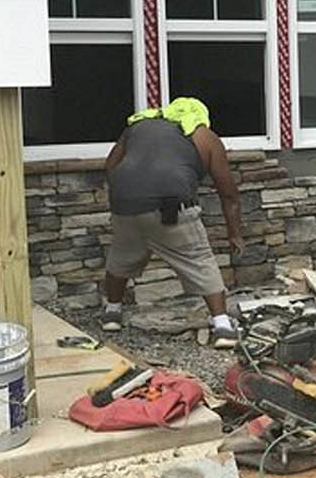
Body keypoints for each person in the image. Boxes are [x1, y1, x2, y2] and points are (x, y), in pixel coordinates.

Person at [99, 98, 245, 341]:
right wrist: (235, 233)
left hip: (125, 203)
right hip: (171, 205)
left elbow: (111, 165)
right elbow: (228, 193)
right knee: (199, 258)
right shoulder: (205, 137)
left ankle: (112, 314)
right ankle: (221, 325)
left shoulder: (139, 126)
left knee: (121, 255)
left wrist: (127, 195)